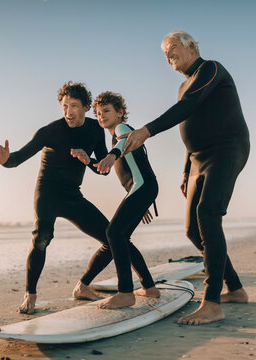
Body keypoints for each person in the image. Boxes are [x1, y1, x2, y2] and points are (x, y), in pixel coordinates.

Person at [118, 30, 250, 324]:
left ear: (191, 46)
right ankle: (236, 289)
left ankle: (212, 302)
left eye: (172, 48)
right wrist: (186, 168)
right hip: (198, 159)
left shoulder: (211, 69)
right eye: (164, 54)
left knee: (208, 213)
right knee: (193, 230)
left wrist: (145, 131)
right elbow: (190, 124)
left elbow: (187, 107)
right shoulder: (182, 87)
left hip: (227, 148)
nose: (168, 56)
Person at [0, 81, 114, 314]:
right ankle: (31, 295)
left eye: (74, 105)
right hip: (47, 193)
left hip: (72, 195)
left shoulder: (95, 130)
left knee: (112, 239)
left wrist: (89, 161)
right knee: (43, 236)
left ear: (86, 107)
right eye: (64, 105)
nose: (68, 111)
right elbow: (17, 159)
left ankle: (83, 286)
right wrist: (5, 160)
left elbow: (102, 168)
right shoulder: (50, 131)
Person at [71, 91, 160, 309]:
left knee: (113, 233)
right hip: (141, 189)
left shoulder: (122, 130)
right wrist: (89, 161)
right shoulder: (114, 137)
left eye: (107, 111)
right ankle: (149, 287)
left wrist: (111, 156)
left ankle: (125, 293)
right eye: (99, 113)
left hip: (142, 188)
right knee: (122, 238)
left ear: (120, 113)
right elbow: (114, 168)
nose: (101, 116)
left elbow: (122, 144)